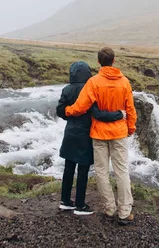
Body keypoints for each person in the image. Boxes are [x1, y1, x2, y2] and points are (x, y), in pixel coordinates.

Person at [66, 47, 137, 225]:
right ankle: (124, 212)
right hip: (119, 132)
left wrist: (68, 110)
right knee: (121, 172)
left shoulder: (93, 82)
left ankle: (109, 209)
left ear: (99, 62)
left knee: (102, 172)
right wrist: (131, 128)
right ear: (114, 61)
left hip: (99, 134)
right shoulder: (125, 83)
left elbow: (81, 106)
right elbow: (130, 109)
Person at [56, 61, 123, 216]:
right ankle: (80, 205)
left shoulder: (66, 89)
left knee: (69, 167)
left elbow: (60, 111)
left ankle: (65, 201)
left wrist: (71, 116)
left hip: (70, 133)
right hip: (86, 134)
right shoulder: (90, 88)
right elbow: (98, 114)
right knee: (83, 169)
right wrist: (119, 114)